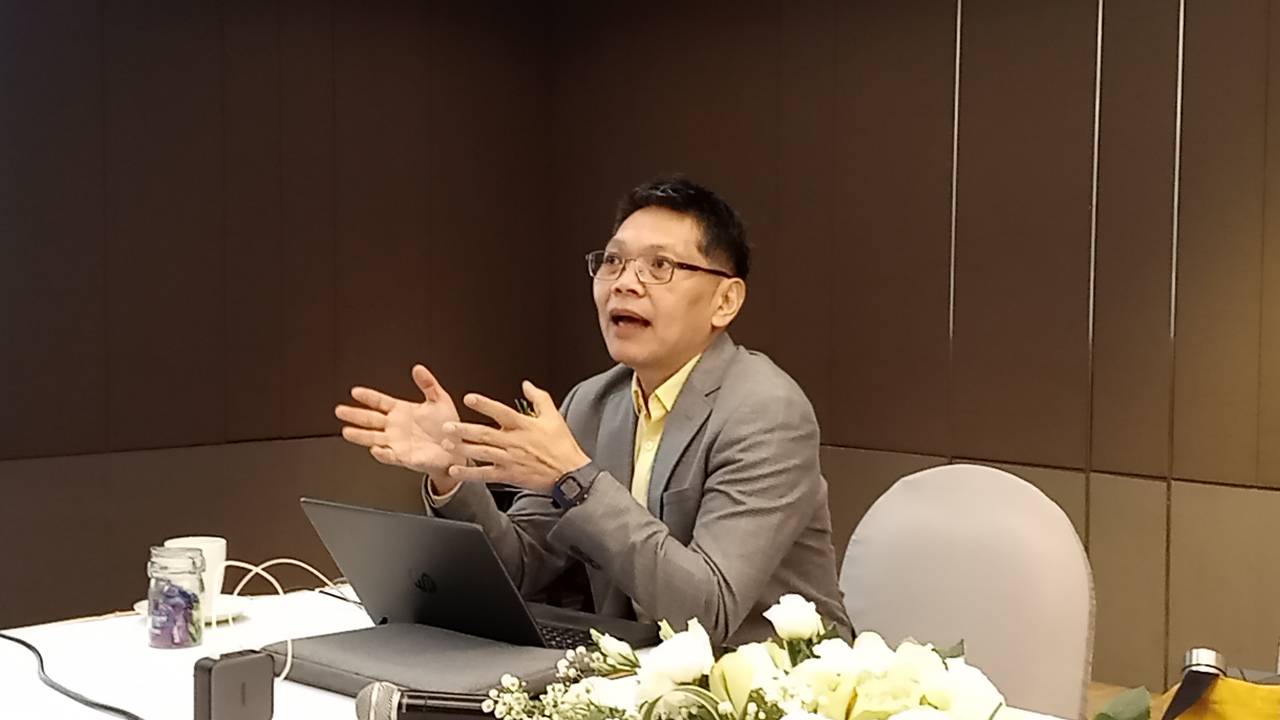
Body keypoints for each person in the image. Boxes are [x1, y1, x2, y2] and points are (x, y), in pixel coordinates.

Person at [335, 176, 850, 645]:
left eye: (660, 266)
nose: (624, 282)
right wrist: (451, 473)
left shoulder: (767, 412)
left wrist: (575, 478)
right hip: (634, 671)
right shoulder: (592, 402)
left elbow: (706, 613)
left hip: (771, 681)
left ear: (725, 301)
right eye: (613, 261)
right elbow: (523, 569)